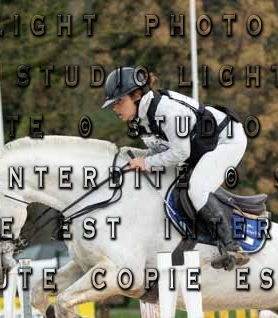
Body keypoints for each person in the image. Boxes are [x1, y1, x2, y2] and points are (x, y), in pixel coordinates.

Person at [101, 66, 249, 270]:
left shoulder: (166, 111)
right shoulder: (142, 118)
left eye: (119, 101)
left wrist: (145, 163)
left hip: (227, 141)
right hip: (201, 147)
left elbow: (181, 153)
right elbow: (160, 150)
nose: (115, 108)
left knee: (197, 190)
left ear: (136, 95)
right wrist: (137, 158)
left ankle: (232, 247)